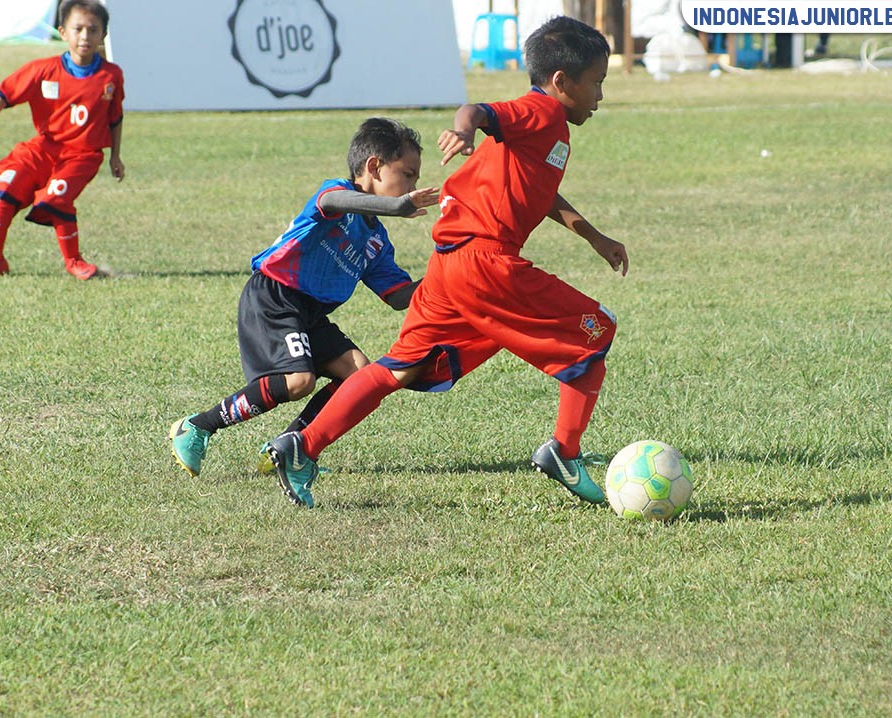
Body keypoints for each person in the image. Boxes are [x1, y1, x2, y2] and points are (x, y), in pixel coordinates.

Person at [261, 15, 628, 509]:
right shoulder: (541, 113)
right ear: (561, 82)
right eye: (597, 83)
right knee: (596, 331)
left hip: (448, 268)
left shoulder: (548, 133)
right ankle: (564, 450)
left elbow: (541, 193)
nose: (600, 96)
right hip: (485, 262)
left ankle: (301, 446)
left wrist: (595, 237)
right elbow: (476, 110)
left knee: (398, 368)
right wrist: (463, 129)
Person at [169, 118, 439, 480]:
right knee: (299, 381)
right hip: (274, 295)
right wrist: (396, 205)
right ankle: (197, 426)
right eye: (407, 174)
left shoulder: (376, 241)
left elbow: (398, 296)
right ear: (374, 166)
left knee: (359, 375)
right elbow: (334, 201)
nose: (413, 186)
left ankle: (286, 446)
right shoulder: (336, 195)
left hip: (310, 313)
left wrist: (447, 274)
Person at [0, 0, 125, 279]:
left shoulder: (111, 76)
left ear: (103, 35)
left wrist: (115, 157)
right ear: (62, 32)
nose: (85, 36)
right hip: (43, 148)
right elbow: (6, 92)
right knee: (2, 192)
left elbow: (115, 118)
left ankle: (74, 262)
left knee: (55, 199)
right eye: (78, 29)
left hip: (83, 155)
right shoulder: (42, 70)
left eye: (93, 30)